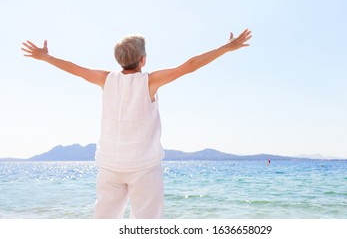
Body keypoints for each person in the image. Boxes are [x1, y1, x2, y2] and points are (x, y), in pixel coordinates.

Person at [21, 29, 252, 219]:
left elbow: (75, 69)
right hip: (144, 168)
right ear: (143, 59)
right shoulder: (149, 81)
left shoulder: (105, 79)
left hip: (110, 166)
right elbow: (189, 65)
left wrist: (46, 58)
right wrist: (225, 48)